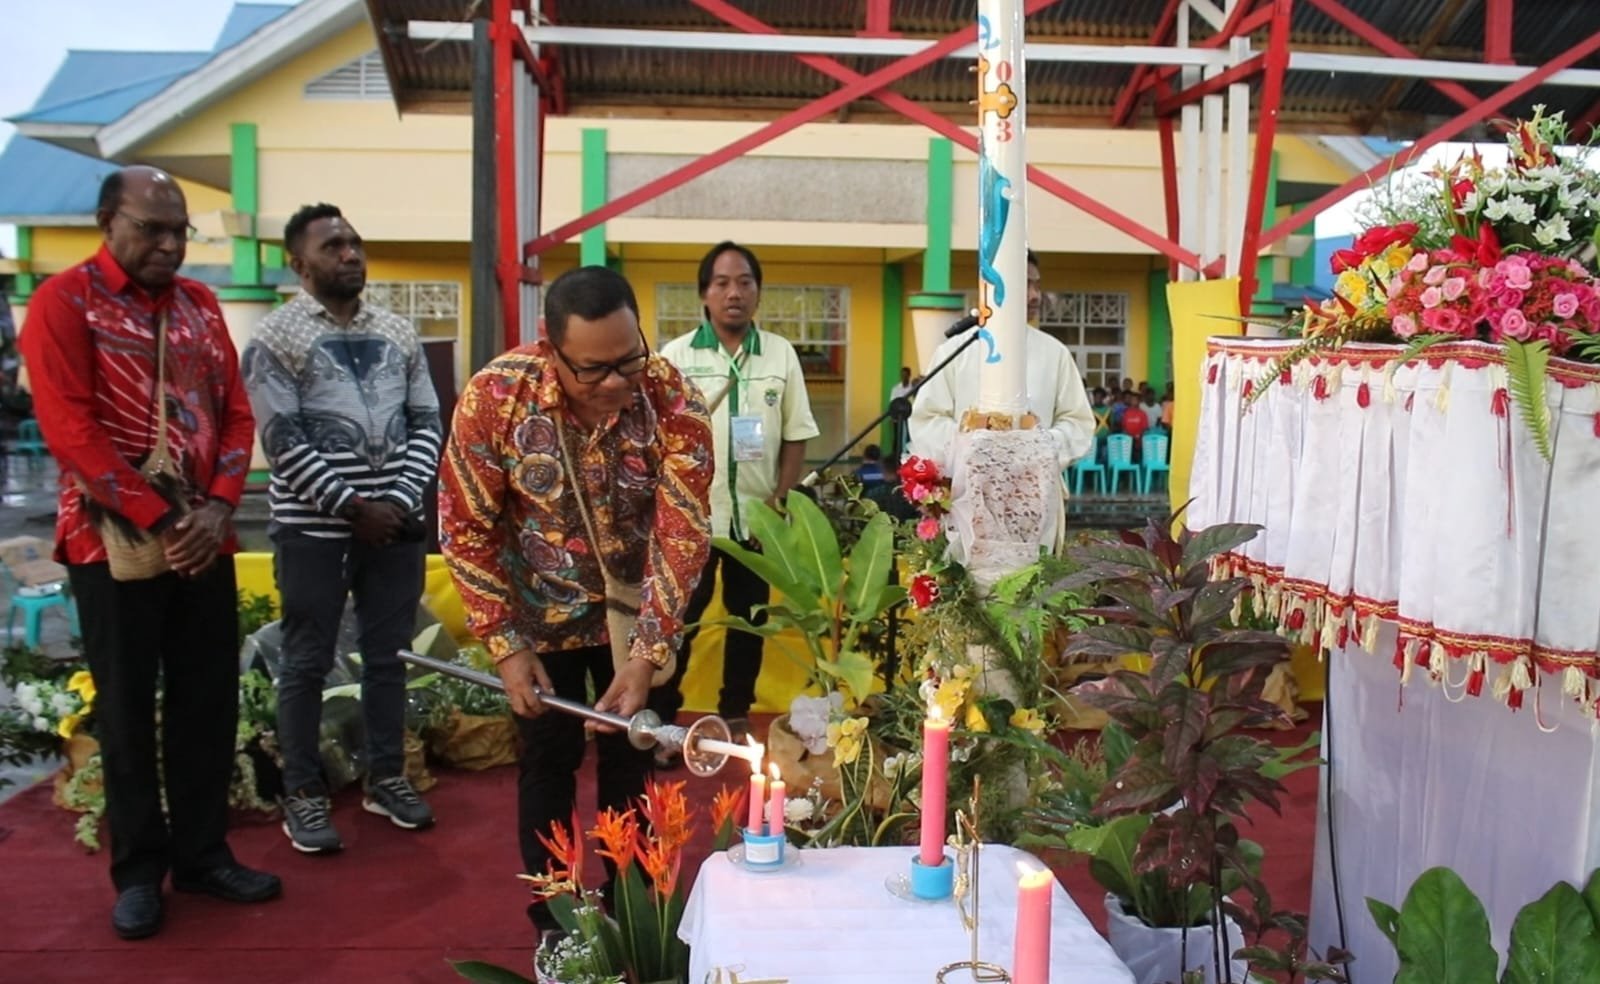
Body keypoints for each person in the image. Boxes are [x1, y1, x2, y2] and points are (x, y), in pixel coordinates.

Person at [18, 166, 280, 940]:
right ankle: (138, 872)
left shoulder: (200, 305)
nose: (168, 244)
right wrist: (166, 518)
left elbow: (235, 414)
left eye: (177, 231)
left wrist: (222, 506)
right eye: (150, 229)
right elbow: (71, 432)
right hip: (112, 546)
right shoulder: (63, 302)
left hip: (207, 535)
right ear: (108, 222)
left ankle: (204, 856)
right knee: (128, 711)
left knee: (207, 704)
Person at [437, 265, 713, 936]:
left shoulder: (674, 400)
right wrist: (505, 645)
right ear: (549, 348)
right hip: (540, 623)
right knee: (547, 766)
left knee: (634, 764)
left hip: (640, 617)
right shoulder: (495, 397)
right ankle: (558, 923)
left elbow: (681, 533)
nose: (618, 382)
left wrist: (648, 654)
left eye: (630, 359)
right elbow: (464, 526)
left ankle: (636, 918)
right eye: (593, 371)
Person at [241, 203, 442, 854]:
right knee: (304, 661)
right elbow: (284, 440)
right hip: (315, 531)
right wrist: (355, 508)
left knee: (390, 658)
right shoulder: (273, 338)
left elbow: (426, 424)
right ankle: (302, 792)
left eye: (354, 242)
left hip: (394, 528)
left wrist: (402, 501)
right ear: (300, 264)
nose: (350, 254)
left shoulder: (399, 332)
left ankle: (386, 777)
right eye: (333, 246)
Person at [650, 241, 819, 756]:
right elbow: (654, 437)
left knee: (749, 625)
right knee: (683, 625)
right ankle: (663, 724)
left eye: (745, 282)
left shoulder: (780, 354)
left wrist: (782, 497)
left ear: (758, 292)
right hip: (692, 525)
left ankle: (734, 719)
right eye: (722, 283)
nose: (734, 293)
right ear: (704, 293)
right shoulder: (676, 357)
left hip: (756, 524)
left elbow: (796, 433)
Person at [908, 248, 1095, 473]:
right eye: (1025, 284)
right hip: (968, 488)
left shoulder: (1055, 353)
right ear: (993, 286)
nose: (1035, 296)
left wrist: (1039, 445)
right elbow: (927, 420)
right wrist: (975, 443)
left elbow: (1078, 423)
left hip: (1035, 487)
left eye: (1037, 285)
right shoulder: (956, 351)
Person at [888, 365, 914, 460]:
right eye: (902, 375)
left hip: (910, 416)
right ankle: (896, 456)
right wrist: (892, 417)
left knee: (909, 436)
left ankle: (909, 455)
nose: (904, 377)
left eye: (906, 375)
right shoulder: (896, 389)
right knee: (897, 436)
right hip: (898, 416)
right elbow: (892, 403)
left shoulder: (913, 388)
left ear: (909, 375)